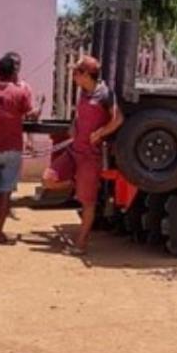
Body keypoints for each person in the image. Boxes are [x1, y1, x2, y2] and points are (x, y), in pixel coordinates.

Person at [41, 54, 123, 254]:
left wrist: (101, 133)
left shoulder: (104, 94)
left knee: (88, 202)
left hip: (90, 155)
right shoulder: (84, 94)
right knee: (48, 179)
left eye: (77, 72)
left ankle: (81, 244)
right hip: (74, 150)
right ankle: (77, 185)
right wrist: (73, 126)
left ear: (87, 74)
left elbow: (118, 119)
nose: (74, 76)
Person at [0, 52, 38, 244]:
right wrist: (37, 111)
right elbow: (30, 115)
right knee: (5, 193)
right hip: (12, 148)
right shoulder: (21, 91)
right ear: (13, 72)